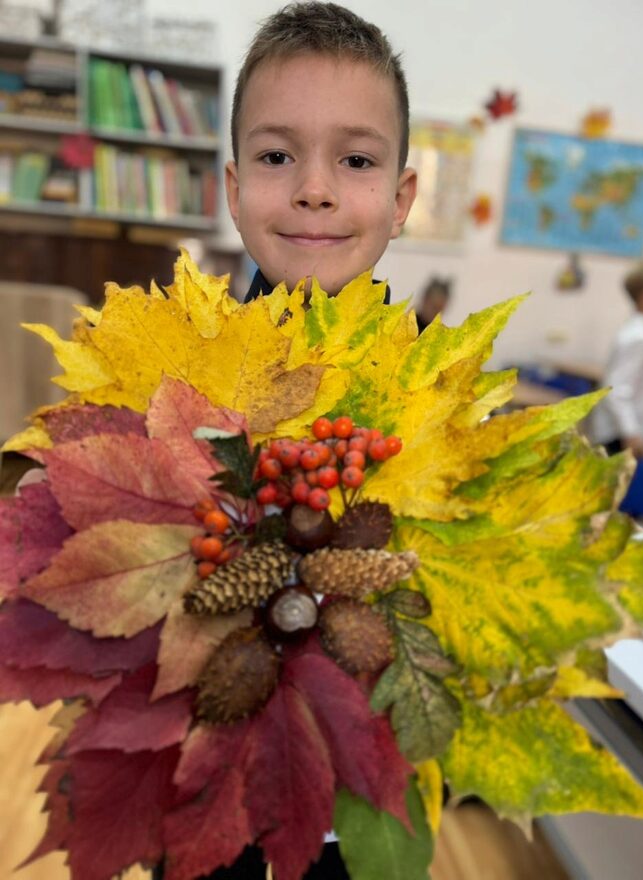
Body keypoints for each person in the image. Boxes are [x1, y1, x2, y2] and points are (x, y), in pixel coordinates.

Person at [155, 3, 417, 879]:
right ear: (231, 187)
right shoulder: (168, 378)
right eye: (276, 156)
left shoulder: (436, 404)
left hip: (359, 803)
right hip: (197, 782)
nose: (314, 187)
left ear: (402, 196)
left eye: (355, 159)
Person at [591, 260, 643, 457]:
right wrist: (631, 432)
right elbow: (617, 388)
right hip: (617, 432)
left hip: (629, 425)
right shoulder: (639, 336)